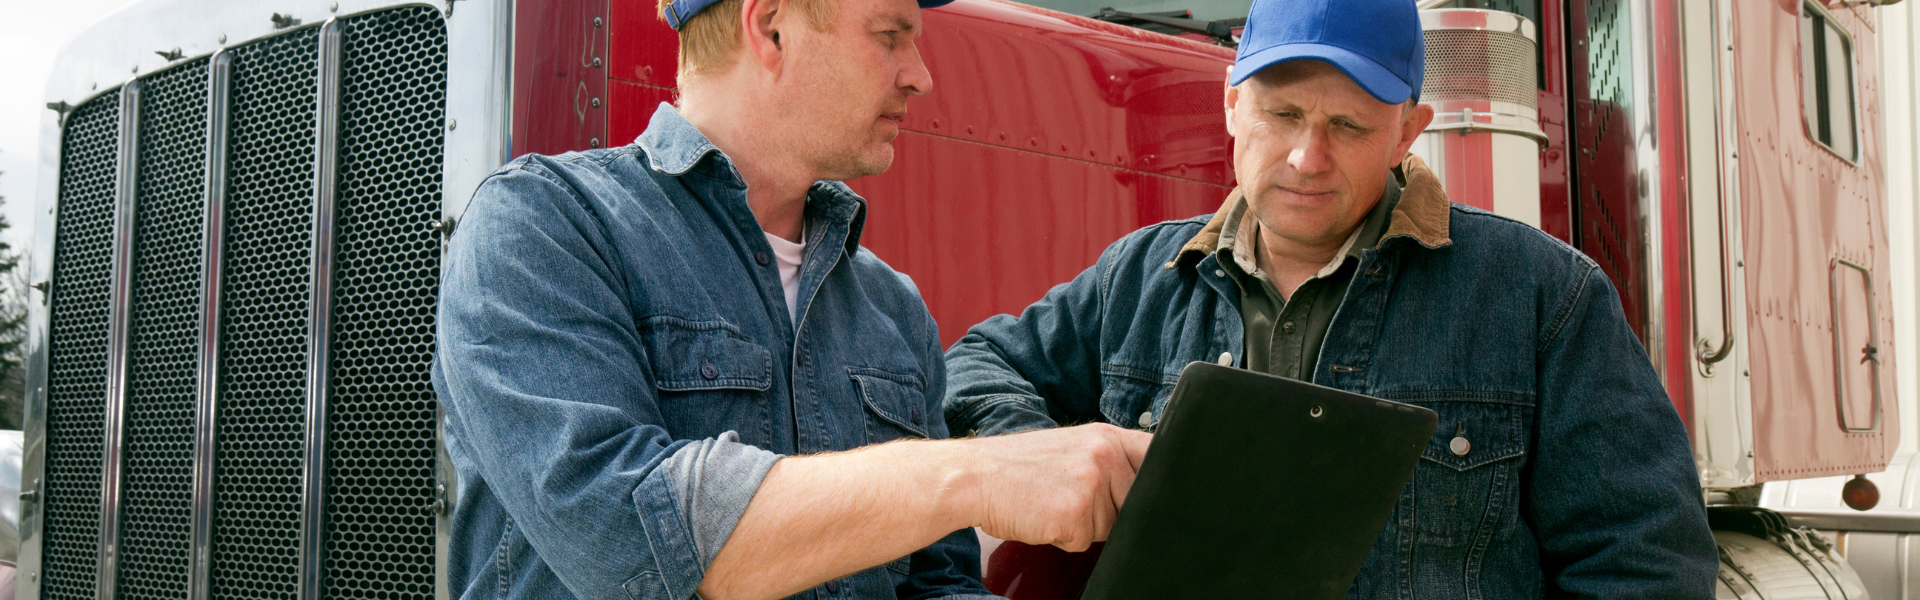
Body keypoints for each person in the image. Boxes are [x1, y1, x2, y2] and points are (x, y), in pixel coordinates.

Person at [941, 0, 1719, 596]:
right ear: (1231, 104)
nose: (1308, 157)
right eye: (1282, 114)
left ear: (1407, 131)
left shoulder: (1544, 297)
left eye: (1348, 125)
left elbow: (1645, 561)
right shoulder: (1137, 278)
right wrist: (1046, 455)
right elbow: (970, 366)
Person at [430, 0, 1153, 595]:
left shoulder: (891, 309)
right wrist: (977, 473)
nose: (921, 75)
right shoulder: (542, 226)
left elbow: (933, 585)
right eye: (891, 36)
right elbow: (627, 536)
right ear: (771, 27)